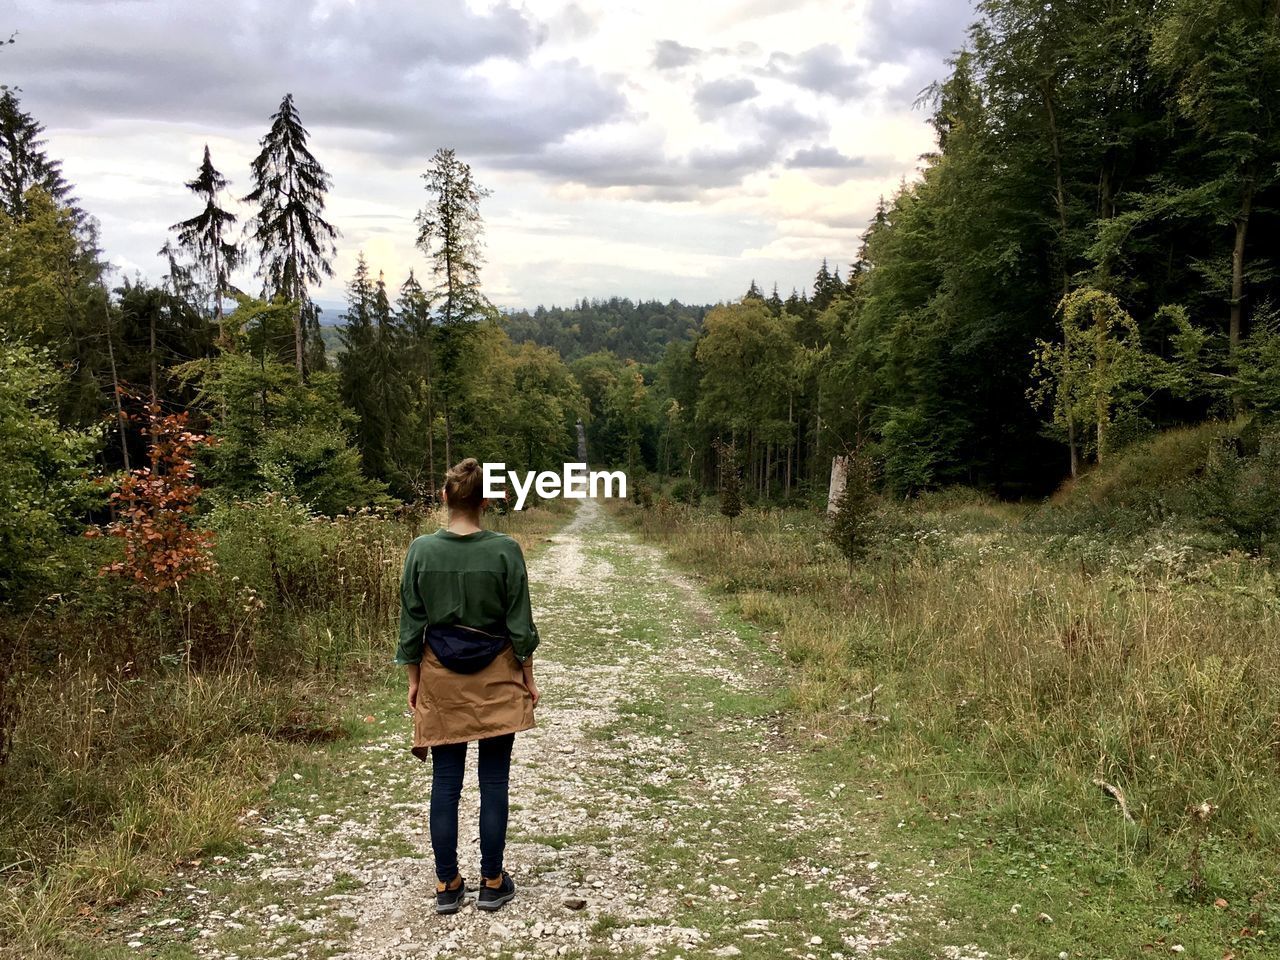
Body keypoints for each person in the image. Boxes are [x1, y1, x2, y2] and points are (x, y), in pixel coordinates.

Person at [396, 458, 541, 914]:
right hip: (497, 672)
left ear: (445, 497)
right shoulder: (506, 550)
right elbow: (520, 624)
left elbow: (410, 624)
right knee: (494, 780)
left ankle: (447, 885)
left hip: (440, 674)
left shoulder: (421, 550)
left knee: (446, 781)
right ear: (486, 501)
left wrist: (415, 681)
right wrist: (528, 679)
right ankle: (493, 881)